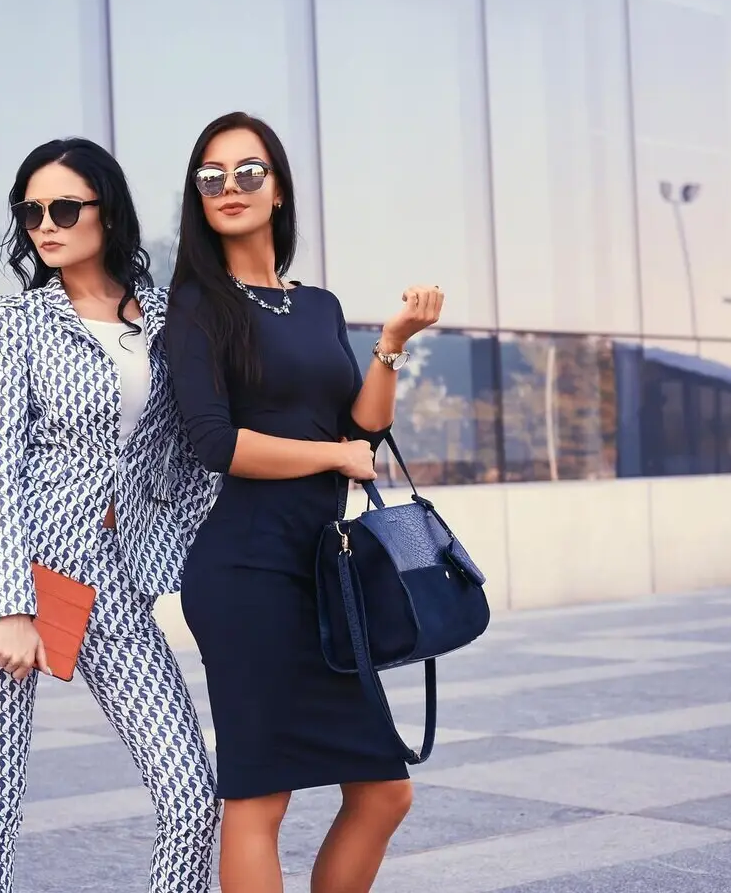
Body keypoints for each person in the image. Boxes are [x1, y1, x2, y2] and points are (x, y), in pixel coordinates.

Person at [165, 112, 444, 893]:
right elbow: (213, 444)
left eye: (247, 172)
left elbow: (364, 424)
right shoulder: (197, 305)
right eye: (211, 176)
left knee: (384, 789)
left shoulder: (317, 305)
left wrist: (393, 342)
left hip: (323, 572)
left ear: (279, 189)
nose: (229, 188)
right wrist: (333, 457)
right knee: (261, 795)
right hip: (244, 571)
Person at [0, 137, 219, 893]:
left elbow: (194, 456)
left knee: (191, 798)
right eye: (31, 210)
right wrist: (9, 606)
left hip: (118, 582)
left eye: (64, 207)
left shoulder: (170, 320)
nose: (46, 223)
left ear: (108, 212)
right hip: (16, 572)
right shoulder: (17, 321)